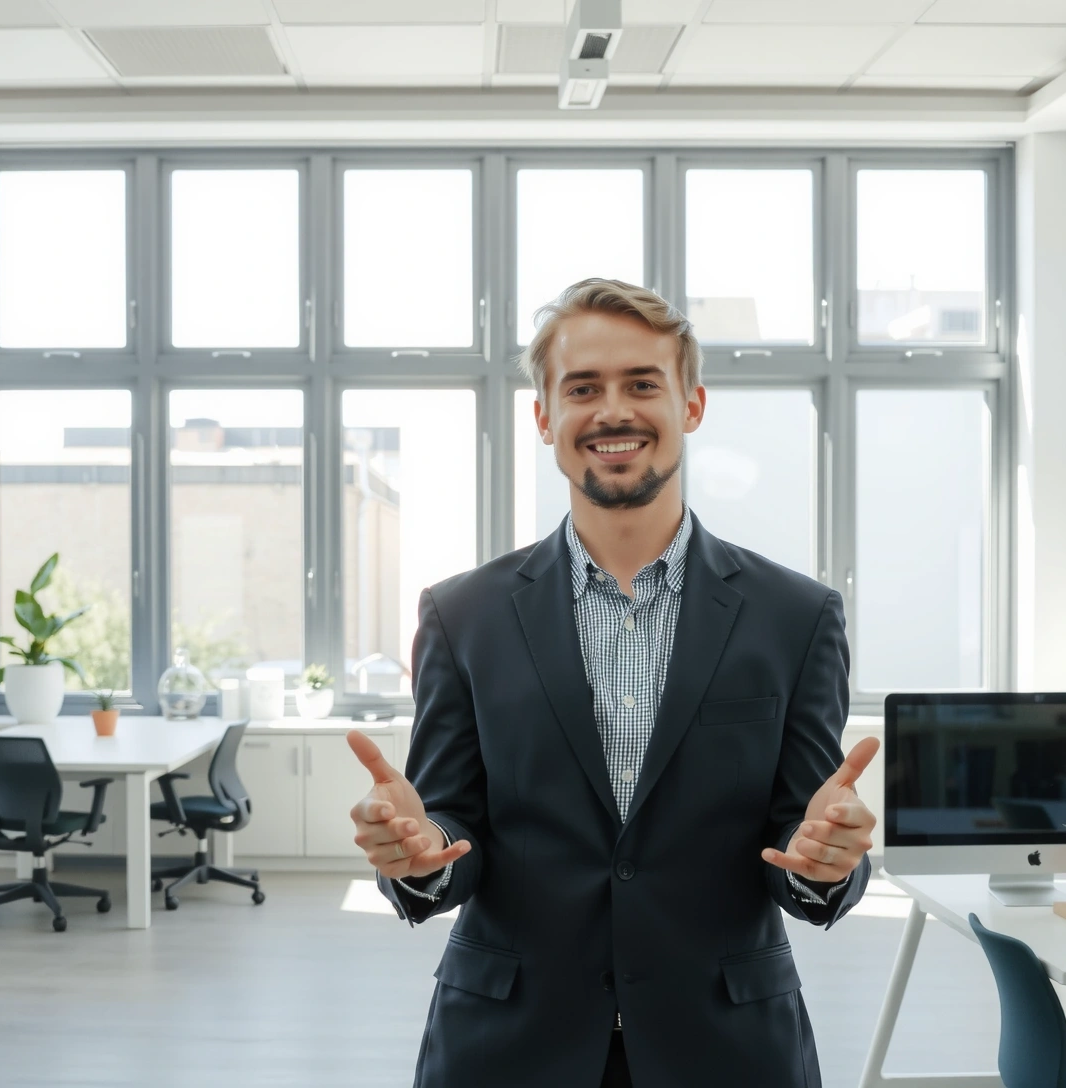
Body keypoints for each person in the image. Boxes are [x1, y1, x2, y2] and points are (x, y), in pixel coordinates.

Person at [345, 278, 879, 1087]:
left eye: (642, 383)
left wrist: (826, 864)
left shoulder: (796, 615)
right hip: (508, 1046)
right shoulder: (464, 614)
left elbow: (799, 836)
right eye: (583, 388)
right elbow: (449, 826)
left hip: (726, 1047)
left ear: (691, 405)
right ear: (544, 418)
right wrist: (419, 856)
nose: (613, 411)